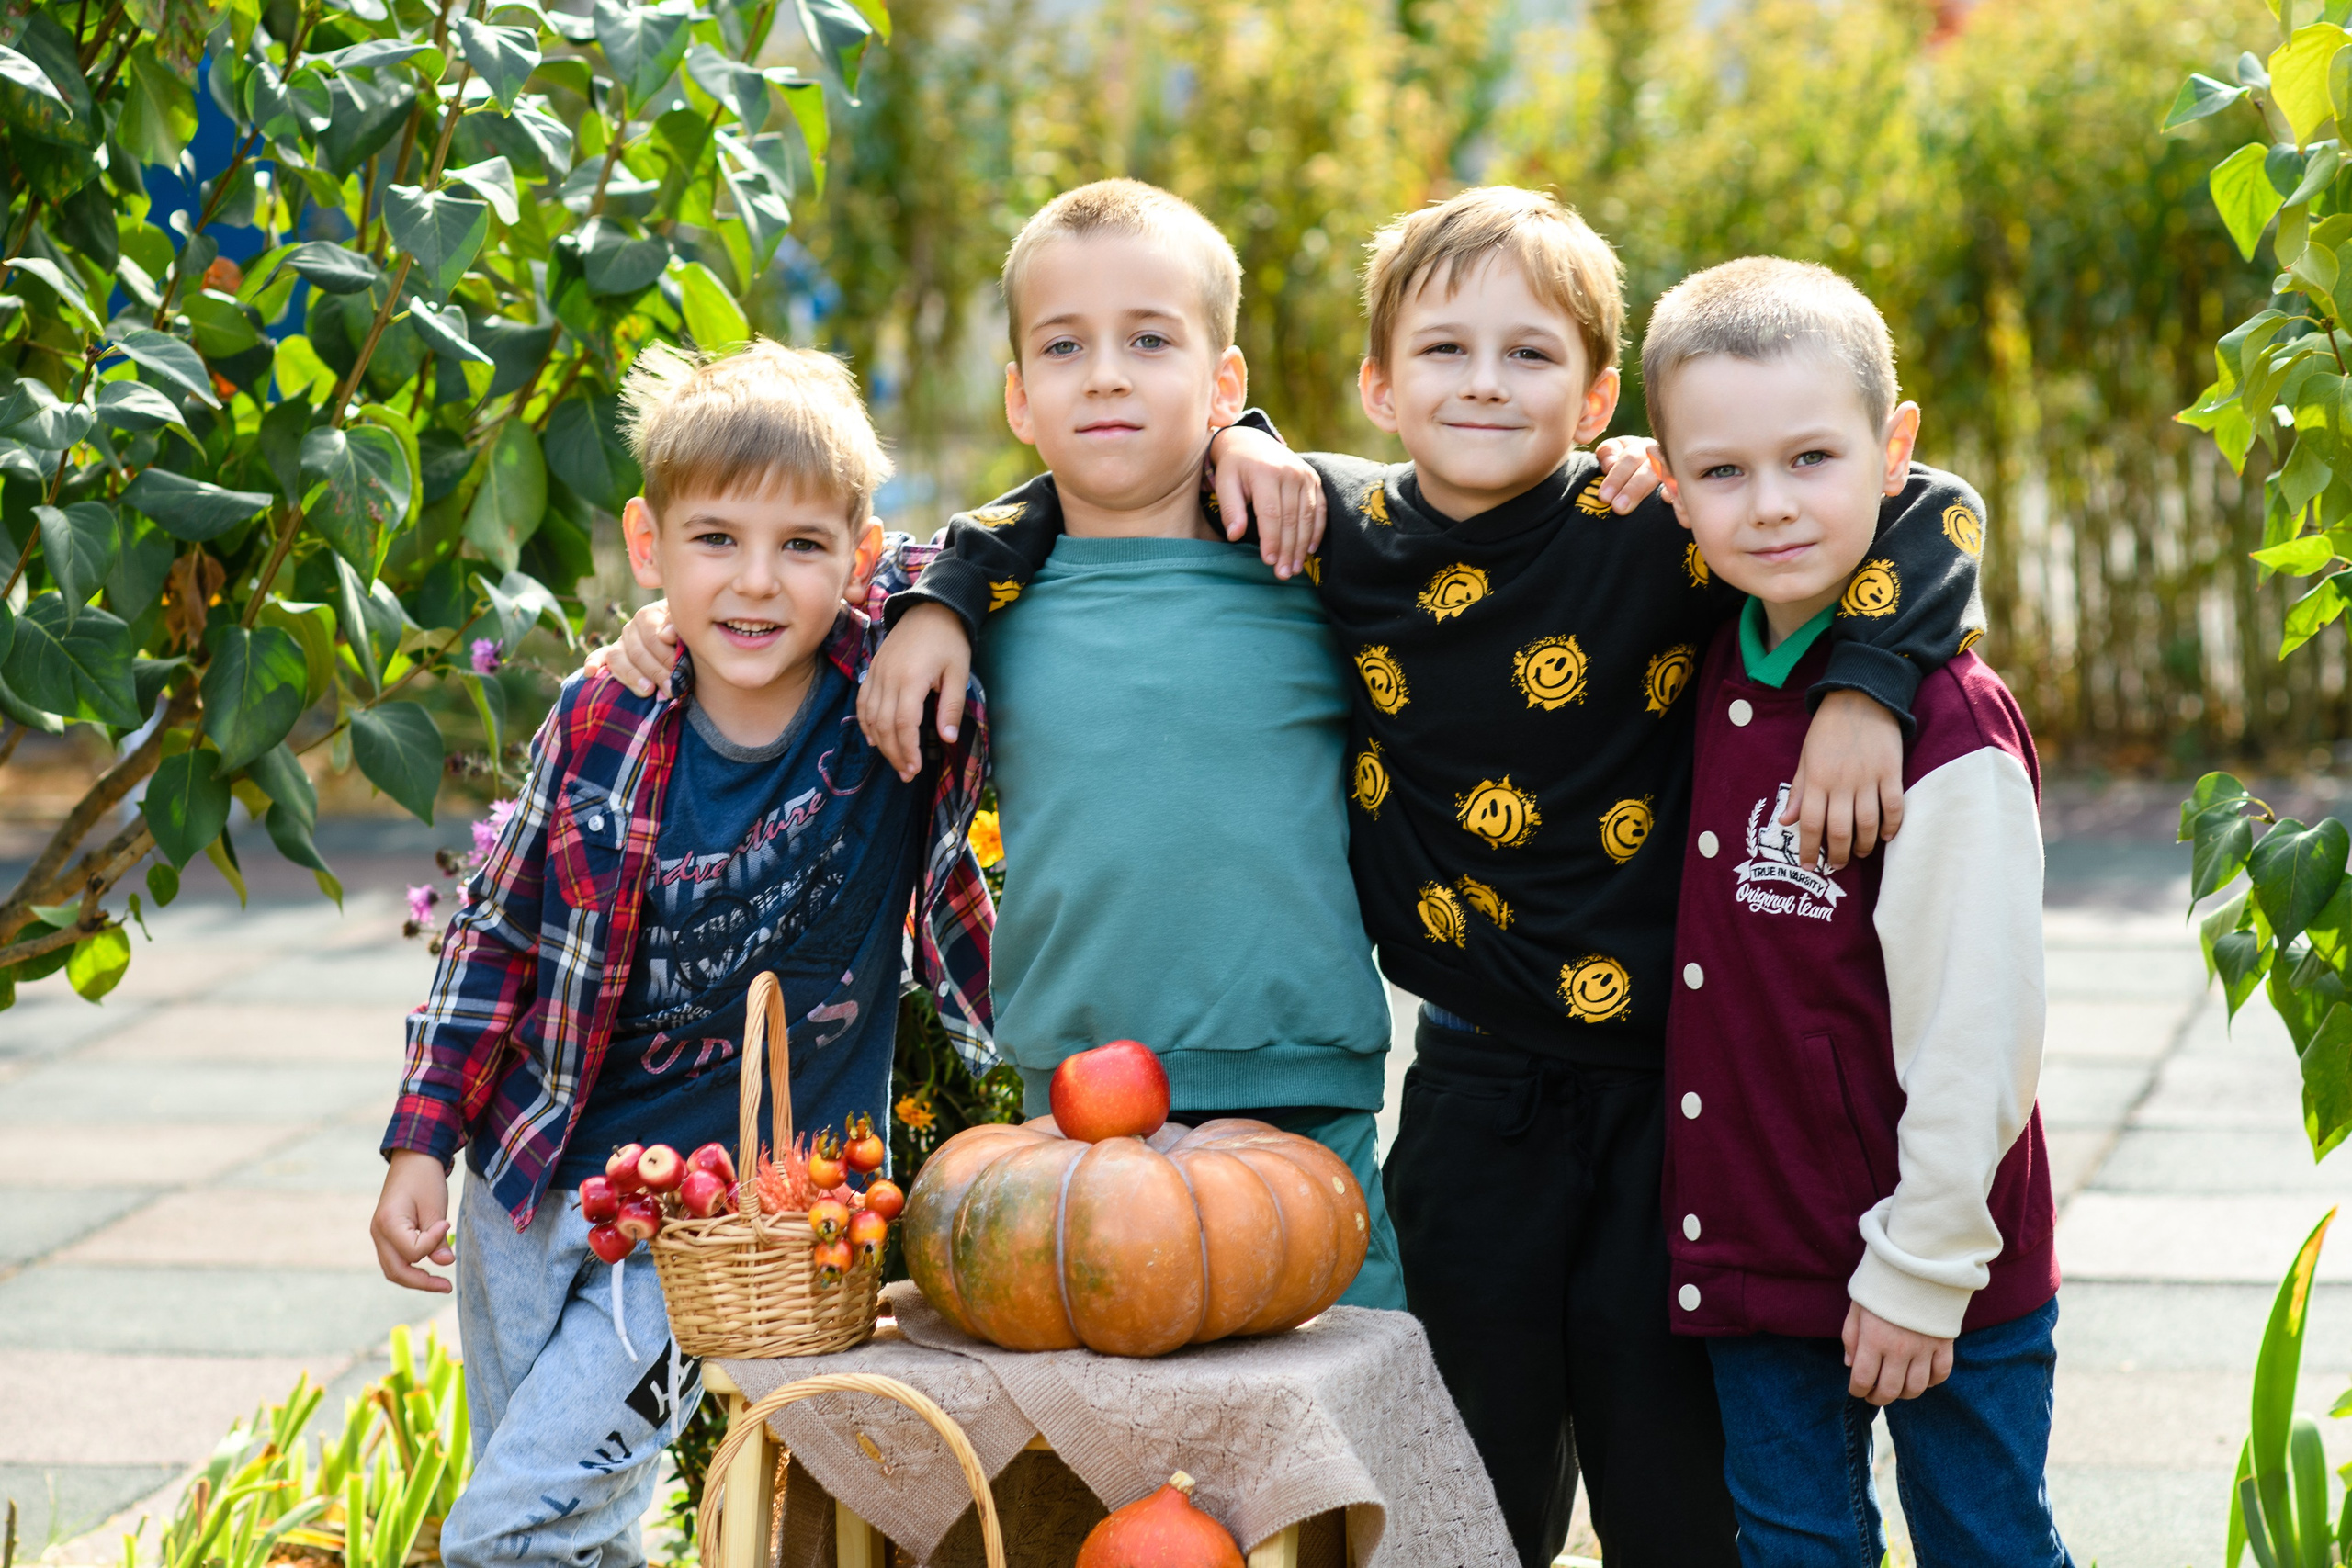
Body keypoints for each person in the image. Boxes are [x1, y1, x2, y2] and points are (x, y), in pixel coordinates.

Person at [866, 186, 1988, 1567]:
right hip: (1474, 1090)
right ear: (1380, 387)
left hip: (1679, 1092)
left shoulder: (1662, 525)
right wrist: (949, 586)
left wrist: (1871, 686)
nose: (1485, 381)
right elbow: (1097, 477)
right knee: (1457, 1490)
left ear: (1593, 401)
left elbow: (1927, 501)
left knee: (1679, 1494)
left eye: (1530, 355)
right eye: (1446, 351)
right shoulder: (1331, 530)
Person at [590, 179, 1446, 1311]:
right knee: (1114, 1433)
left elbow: (1484, 530)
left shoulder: (1308, 554)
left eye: (1151, 340)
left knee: (1345, 1413)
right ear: (1019, 398)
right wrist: (662, 630)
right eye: (1063, 345)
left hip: (1296, 1071)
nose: (1105, 372)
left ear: (1223, 382)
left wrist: (1631, 473)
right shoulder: (977, 600)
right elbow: (782, 606)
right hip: (1074, 1103)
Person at [367, 341, 992, 1568]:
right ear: (649, 546)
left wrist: (942, 608)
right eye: (716, 541)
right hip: (533, 1181)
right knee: (579, 1525)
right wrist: (419, 1136)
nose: (757, 584)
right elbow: (500, 927)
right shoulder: (604, 711)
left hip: (708, 1218)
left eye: (803, 546)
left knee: (507, 1530)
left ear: (860, 561)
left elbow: (1010, 544)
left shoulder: (886, 698)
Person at [1645, 256, 2067, 1567]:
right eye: (1720, 472)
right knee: (1792, 1545)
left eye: (1812, 457)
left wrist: (1923, 1264)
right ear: (1667, 485)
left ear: (1895, 453)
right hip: (1760, 1252)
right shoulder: (1717, 652)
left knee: (1985, 1544)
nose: (1769, 506)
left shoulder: (1943, 721)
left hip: (1939, 1265)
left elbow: (1979, 1022)